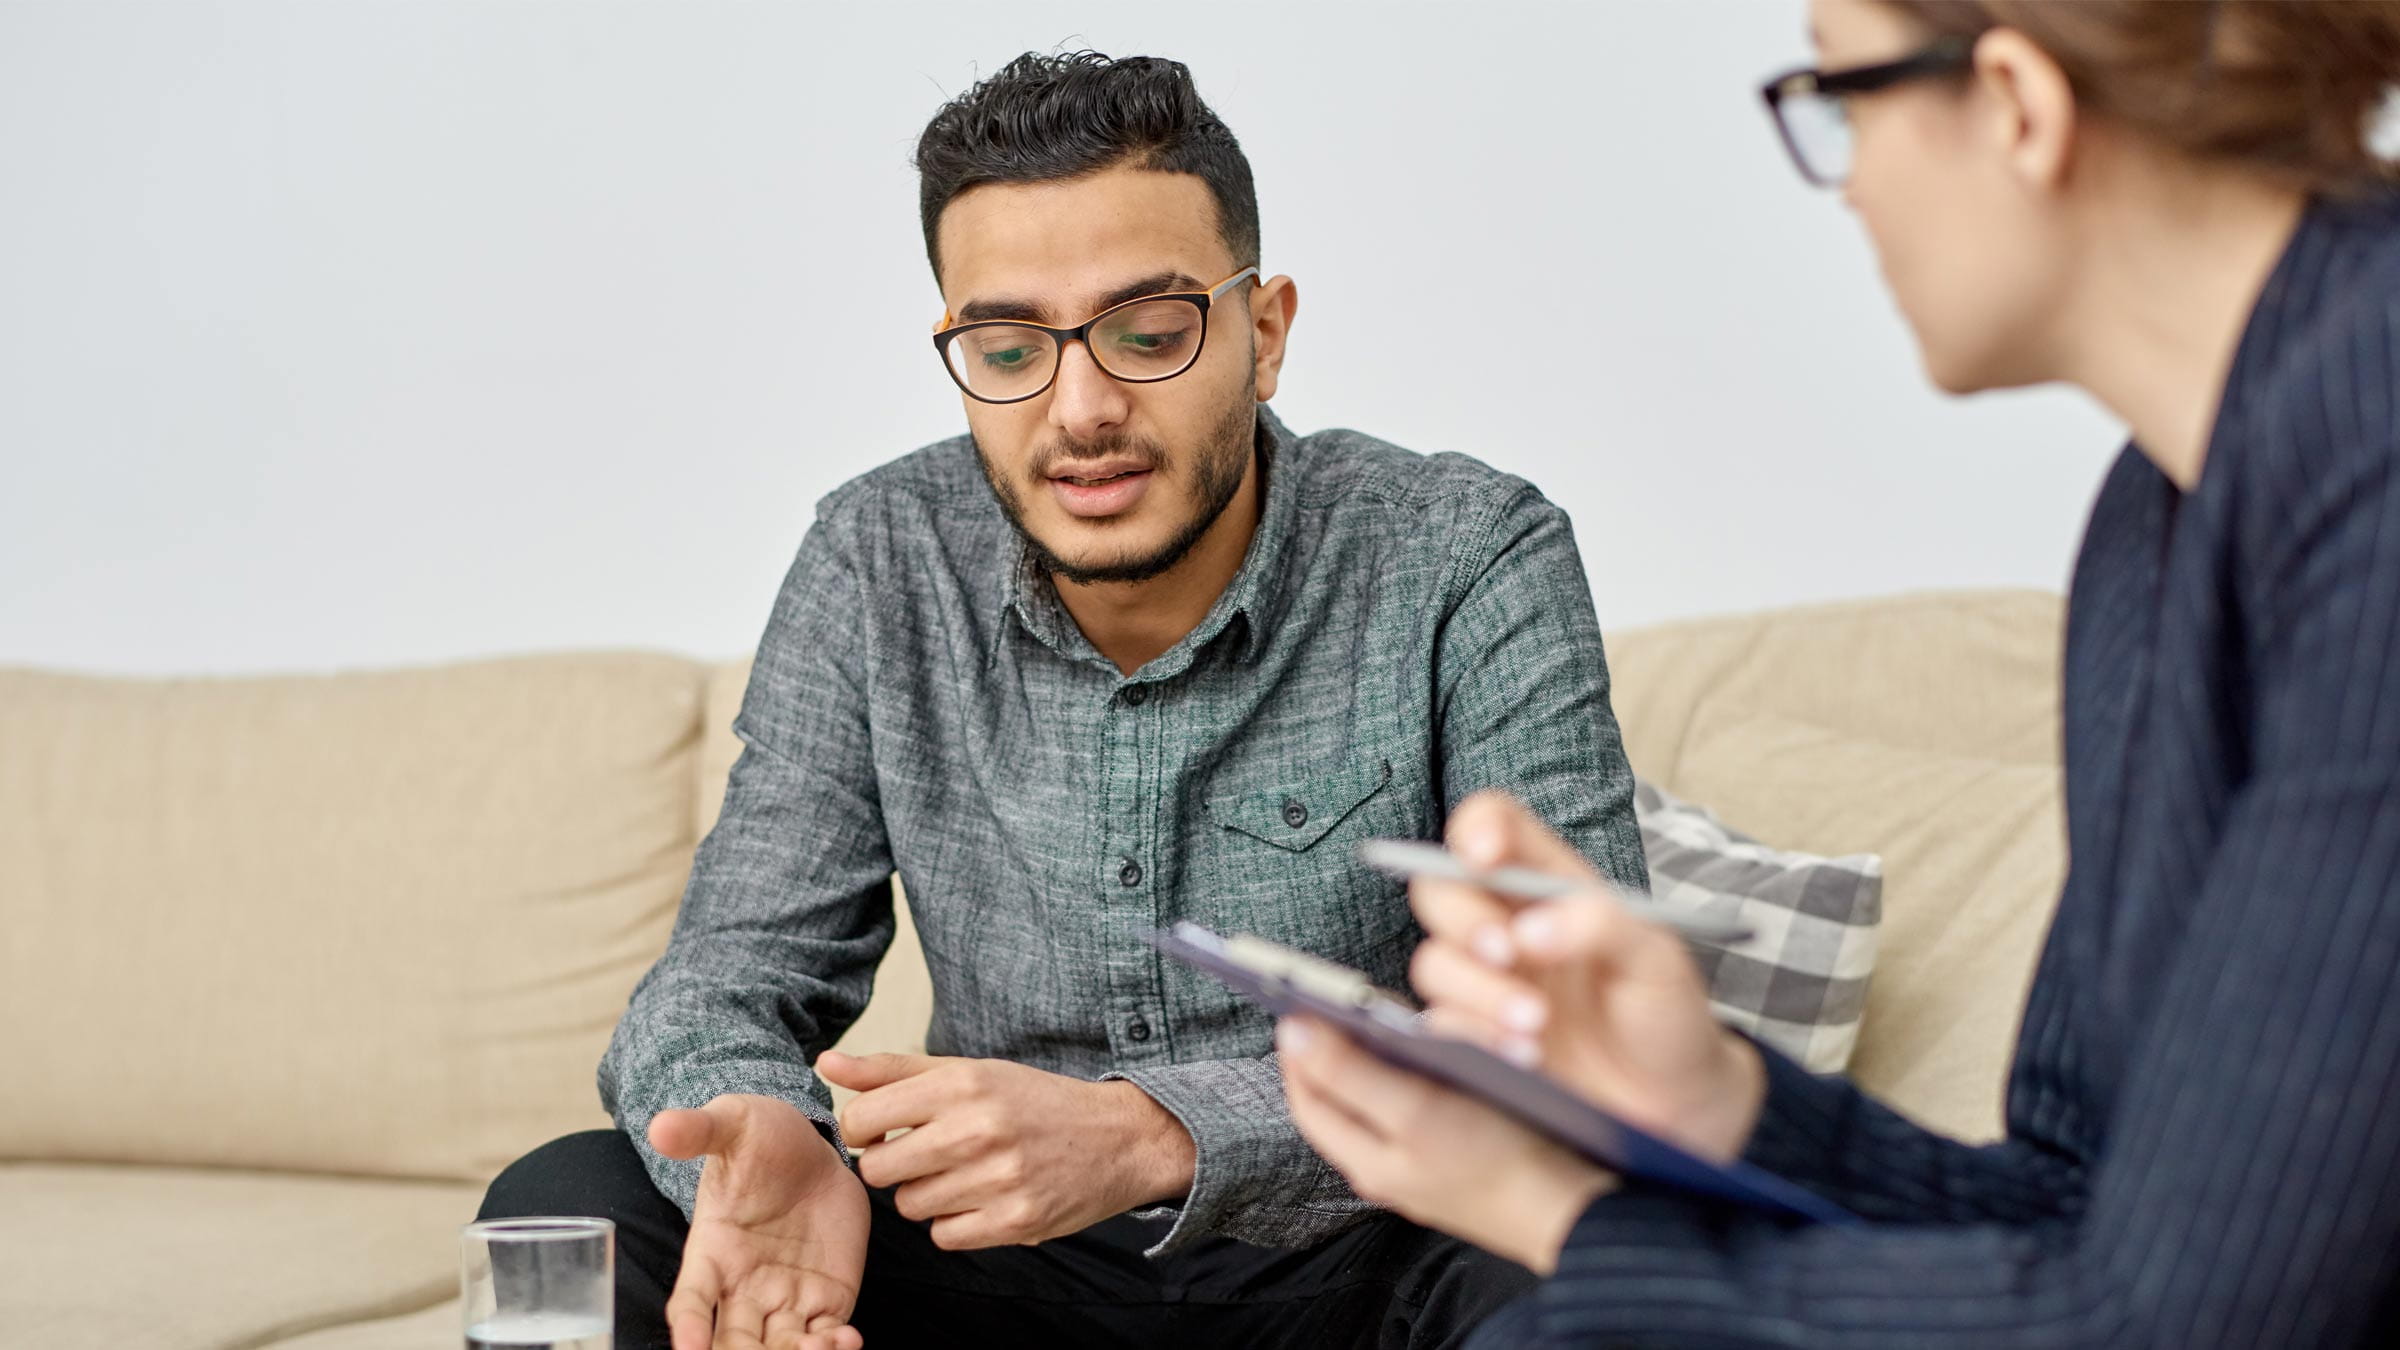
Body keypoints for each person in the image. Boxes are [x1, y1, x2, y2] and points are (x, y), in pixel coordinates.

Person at [478, 50, 1654, 1350]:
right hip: (997, 1269)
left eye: (1151, 332)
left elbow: (1576, 1040)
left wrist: (1156, 1128)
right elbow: (710, 995)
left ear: (1263, 335)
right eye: (1008, 346)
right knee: (561, 1207)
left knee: (1609, 1259)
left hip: (1366, 1251)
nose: (1080, 409)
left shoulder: (1464, 550)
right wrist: (774, 1139)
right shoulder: (880, 556)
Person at [1277, 1, 2400, 1345]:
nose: (1847, 178)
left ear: (2014, 103)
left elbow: (2186, 1324)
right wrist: (1721, 1101)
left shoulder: (2372, 466)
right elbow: (2068, 1203)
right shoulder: (2152, 524)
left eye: (1842, 98)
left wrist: (1560, 1216)